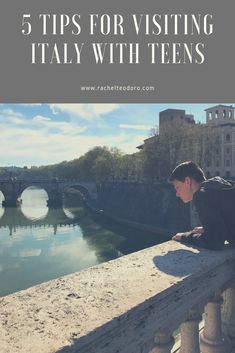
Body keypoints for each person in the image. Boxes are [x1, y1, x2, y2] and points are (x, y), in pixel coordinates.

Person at [169, 161, 235, 250]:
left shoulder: (201, 195)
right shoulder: (222, 187)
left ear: (187, 181)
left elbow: (214, 242)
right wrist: (209, 229)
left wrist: (185, 236)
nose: (177, 194)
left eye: (177, 187)